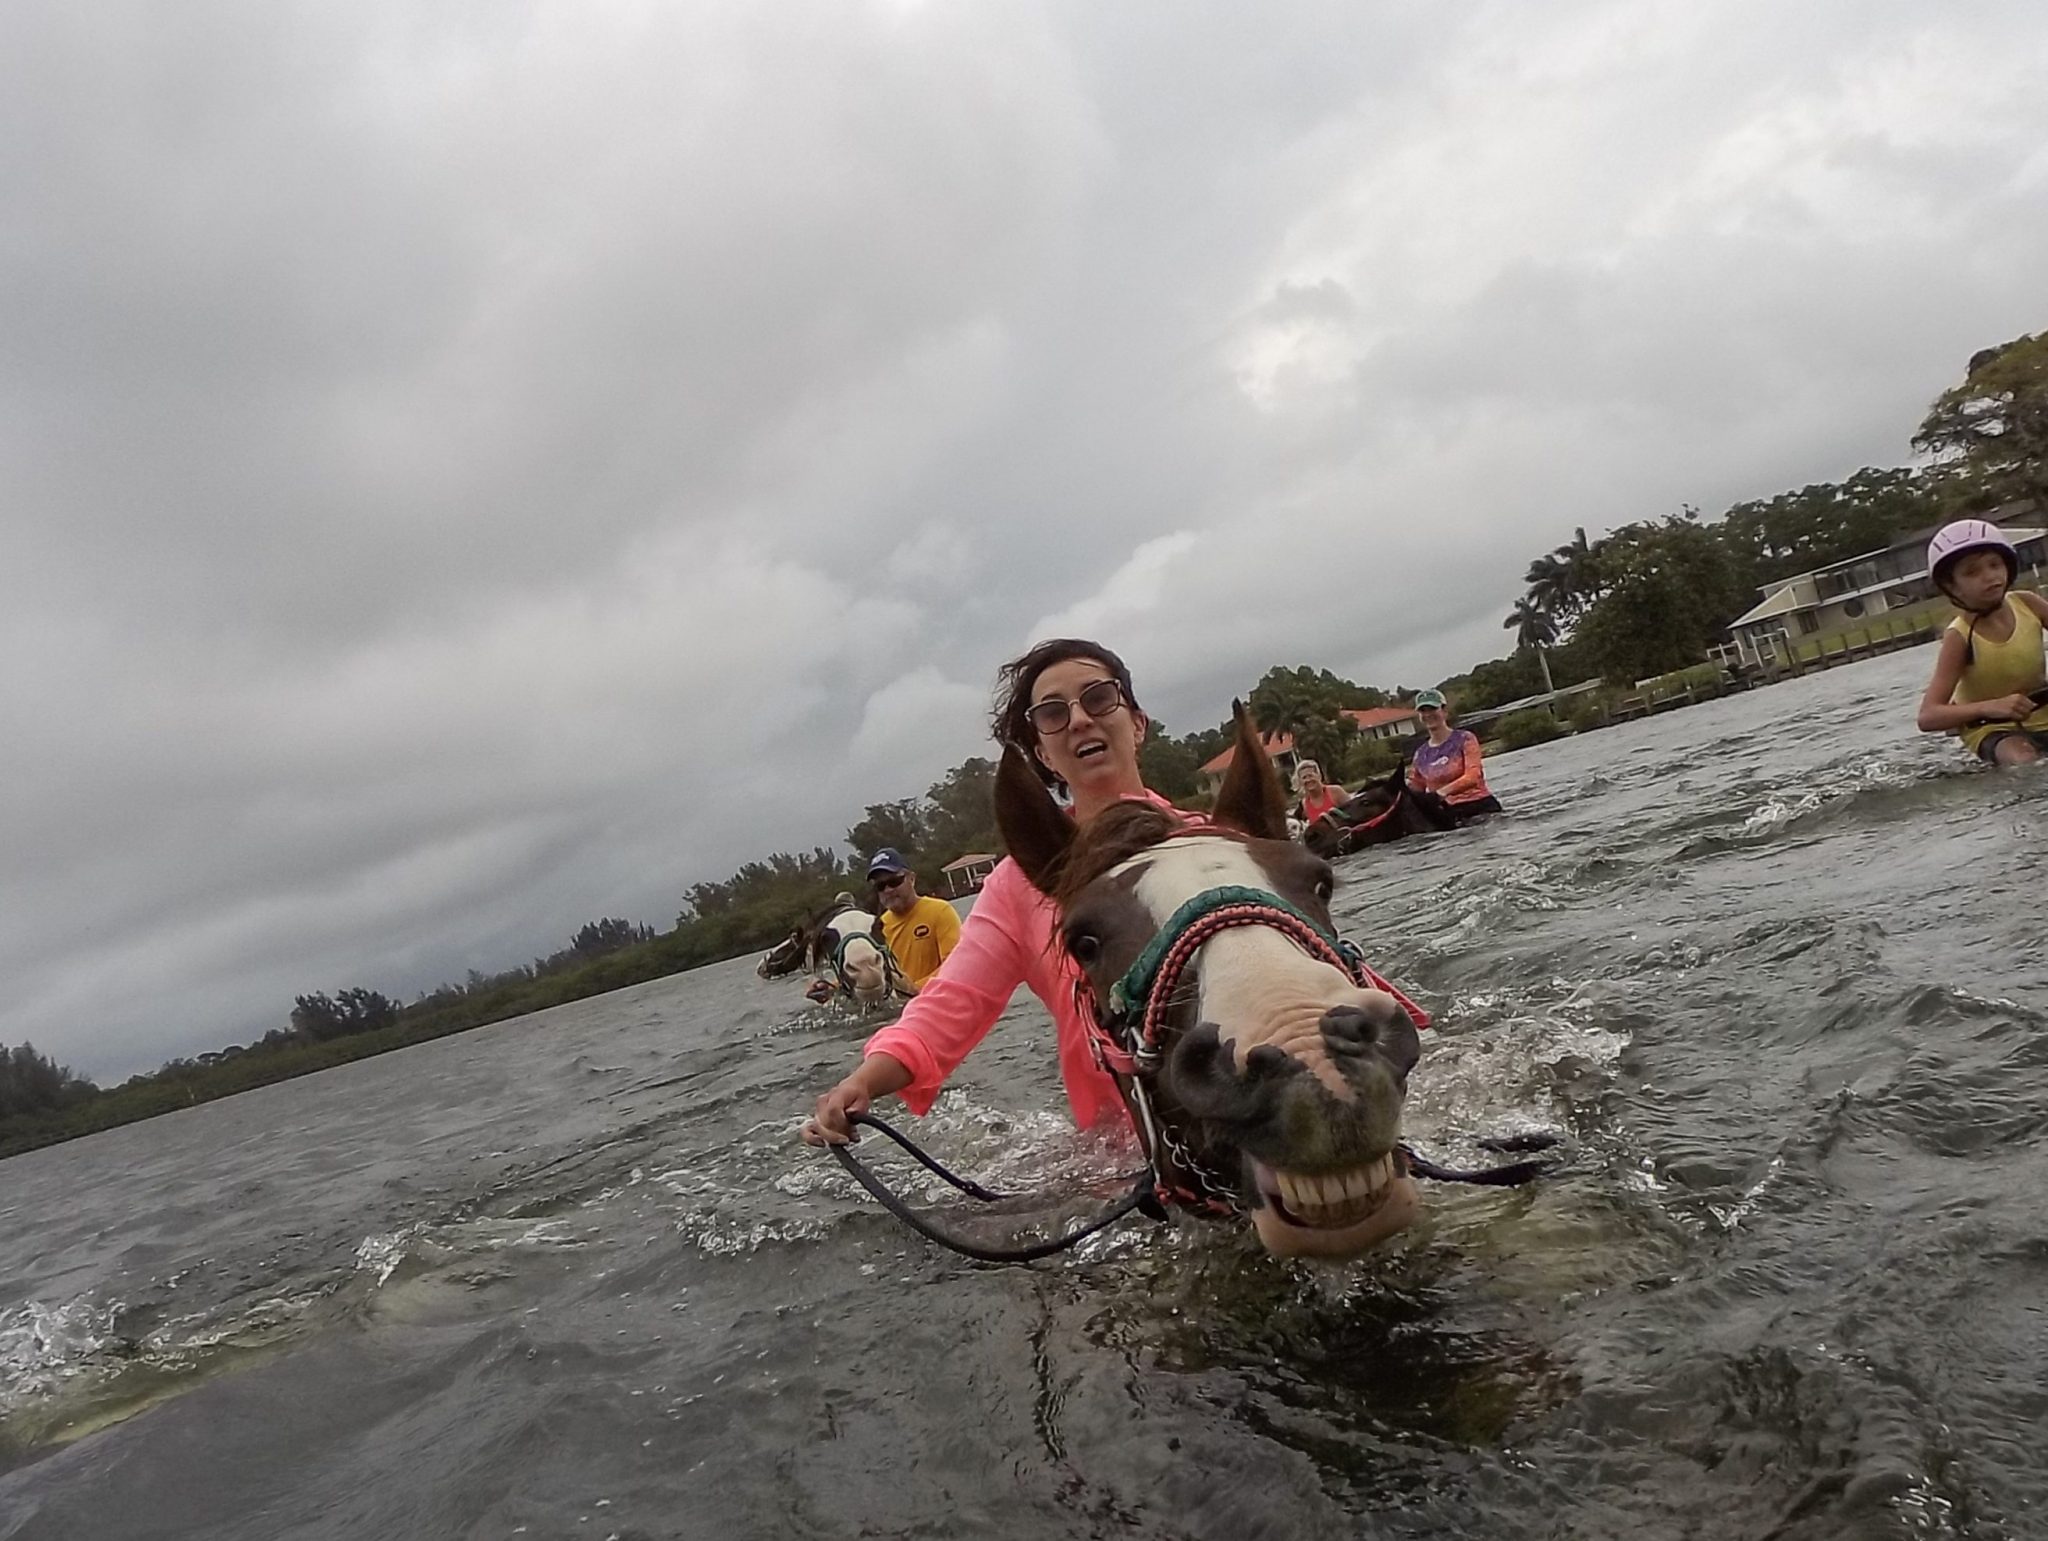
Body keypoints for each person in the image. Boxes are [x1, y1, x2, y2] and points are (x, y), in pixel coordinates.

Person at [1914, 518, 2048, 764]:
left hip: (2041, 713)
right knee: (2026, 760)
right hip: (1992, 728)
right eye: (1972, 572)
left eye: (1994, 565)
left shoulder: (2028, 604)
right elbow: (1928, 716)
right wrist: (1991, 706)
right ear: (1951, 586)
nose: (1989, 576)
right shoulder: (1959, 636)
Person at [865, 847, 961, 991]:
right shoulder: (877, 927)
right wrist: (831, 987)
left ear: (912, 878)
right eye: (880, 886)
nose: (888, 890)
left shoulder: (940, 912)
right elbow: (863, 968)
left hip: (935, 1000)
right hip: (899, 1007)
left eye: (894, 881)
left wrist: (913, 989)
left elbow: (956, 964)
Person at [1405, 689, 1502, 820]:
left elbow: (1473, 776)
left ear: (1444, 711)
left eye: (1432, 709)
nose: (1428, 714)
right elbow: (1416, 788)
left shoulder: (1465, 738)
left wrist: (1441, 793)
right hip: (1446, 813)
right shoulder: (1420, 754)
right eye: (1423, 710)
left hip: (1479, 806)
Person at [1292, 759, 1350, 826]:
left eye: (1310, 775)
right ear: (1300, 781)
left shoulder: (1336, 791)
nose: (1308, 780)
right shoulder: (1304, 803)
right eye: (1304, 777)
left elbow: (1354, 812)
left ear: (1319, 775)